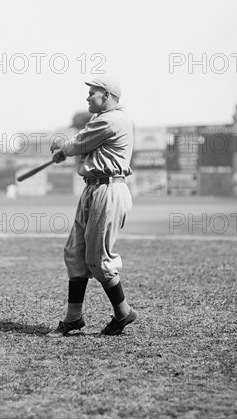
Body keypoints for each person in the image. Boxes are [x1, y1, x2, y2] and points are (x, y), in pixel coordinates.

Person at [47, 76, 136, 337]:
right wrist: (69, 152)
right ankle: (73, 317)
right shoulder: (103, 120)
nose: (87, 97)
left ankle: (123, 312)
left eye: (93, 93)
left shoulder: (113, 119)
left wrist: (62, 146)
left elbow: (79, 143)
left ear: (106, 96)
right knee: (75, 253)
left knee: (98, 260)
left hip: (108, 191)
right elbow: (88, 148)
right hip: (94, 188)